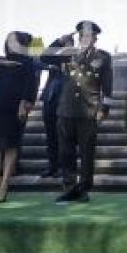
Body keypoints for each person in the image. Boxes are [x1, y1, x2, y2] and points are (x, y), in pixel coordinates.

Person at [52, 20, 114, 203]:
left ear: (95, 38)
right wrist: (58, 41)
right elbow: (40, 55)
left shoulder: (103, 56)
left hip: (88, 111)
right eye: (82, 35)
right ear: (78, 37)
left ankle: (84, 189)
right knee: (65, 152)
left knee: (87, 153)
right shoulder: (67, 54)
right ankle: (69, 188)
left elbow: (108, 85)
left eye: (89, 35)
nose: (86, 38)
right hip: (66, 110)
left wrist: (105, 108)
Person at [0, 31, 40, 203]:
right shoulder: (1, 59)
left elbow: (32, 83)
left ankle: (4, 185)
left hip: (16, 108)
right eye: (7, 40)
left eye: (13, 39)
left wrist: (25, 103)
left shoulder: (28, 61)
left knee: (10, 146)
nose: (9, 42)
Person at [39, 32, 75, 178]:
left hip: (68, 101)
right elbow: (43, 56)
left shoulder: (77, 58)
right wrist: (58, 41)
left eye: (69, 44)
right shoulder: (56, 58)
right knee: (51, 135)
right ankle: (53, 166)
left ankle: (63, 166)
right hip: (51, 99)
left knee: (64, 136)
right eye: (65, 44)